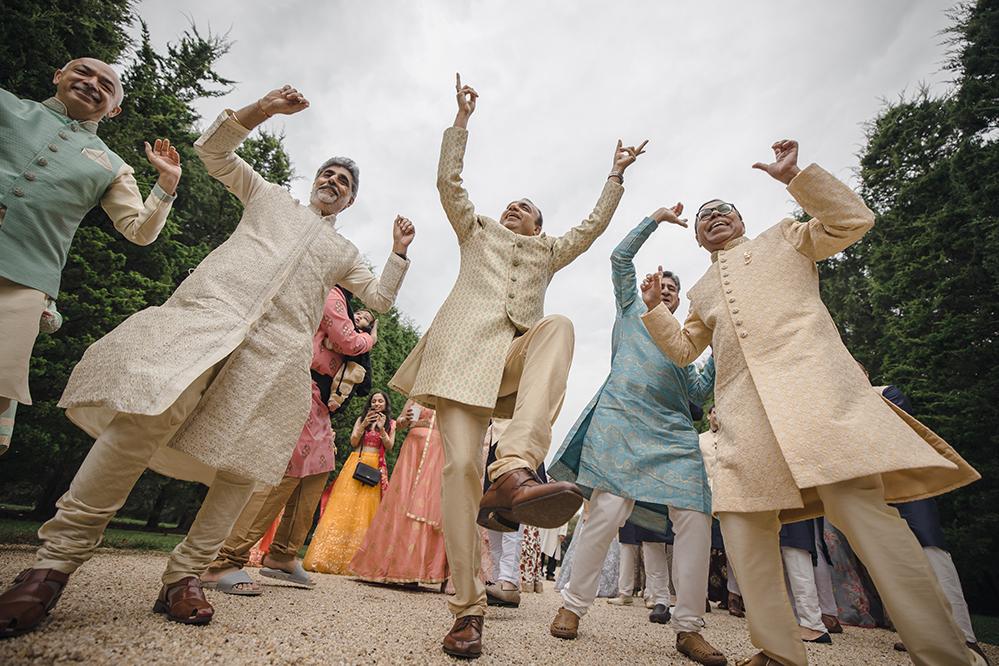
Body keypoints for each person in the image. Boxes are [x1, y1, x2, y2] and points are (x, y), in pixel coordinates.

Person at [0, 84, 414, 636]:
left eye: (345, 182)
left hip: (277, 355)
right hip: (209, 318)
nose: (333, 182)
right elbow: (213, 151)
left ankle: (185, 575)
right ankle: (52, 564)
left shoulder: (343, 253)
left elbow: (380, 301)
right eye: (329, 173)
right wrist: (262, 110)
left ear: (350, 201)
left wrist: (399, 253)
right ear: (314, 179)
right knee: (142, 421)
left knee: (245, 466)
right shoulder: (267, 196)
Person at [638, 138, 981, 666]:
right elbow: (685, 350)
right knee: (745, 529)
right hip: (744, 421)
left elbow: (852, 221)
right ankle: (778, 652)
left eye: (722, 210)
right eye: (704, 217)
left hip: (819, 399)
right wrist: (654, 310)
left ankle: (946, 654)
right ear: (700, 238)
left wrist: (797, 177)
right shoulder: (704, 288)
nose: (712, 217)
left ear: (742, 218)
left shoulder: (786, 236)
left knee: (864, 515)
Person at [389, 74, 646, 659]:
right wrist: (460, 123)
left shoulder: (550, 252)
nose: (514, 207)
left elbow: (592, 228)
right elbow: (448, 184)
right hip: (459, 361)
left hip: (509, 358)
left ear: (538, 226)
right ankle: (467, 609)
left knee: (559, 325)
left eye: (526, 207)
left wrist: (615, 178)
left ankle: (514, 467)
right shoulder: (475, 230)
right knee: (457, 475)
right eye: (512, 201)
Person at [548, 209, 722, 666]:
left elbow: (701, 392)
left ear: (681, 303)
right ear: (650, 289)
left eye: (673, 291)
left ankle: (688, 628)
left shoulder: (685, 343)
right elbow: (619, 257)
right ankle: (572, 606)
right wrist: (656, 219)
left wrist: (723, 344)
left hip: (674, 433)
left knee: (695, 516)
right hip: (621, 420)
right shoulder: (630, 311)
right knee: (605, 512)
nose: (665, 292)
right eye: (661, 286)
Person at [0, 57, 181, 453]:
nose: (92, 83)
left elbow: (139, 230)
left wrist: (166, 184)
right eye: (82, 72)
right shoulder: (7, 106)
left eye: (106, 84)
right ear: (58, 76)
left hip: (23, 284)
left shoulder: (114, 167)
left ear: (113, 108)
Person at [201, 286, 377, 594]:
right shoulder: (332, 293)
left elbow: (363, 379)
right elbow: (348, 341)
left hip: (321, 406)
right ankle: (225, 561)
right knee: (284, 475)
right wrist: (371, 336)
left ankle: (282, 553)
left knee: (318, 471)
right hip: (302, 390)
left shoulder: (346, 304)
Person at [856, 364, 988, 665]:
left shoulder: (887, 393)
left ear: (864, 375)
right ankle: (924, 634)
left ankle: (965, 636)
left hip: (907, 487)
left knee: (932, 554)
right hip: (873, 492)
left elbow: (898, 431)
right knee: (899, 564)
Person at [348, 398, 449, 586]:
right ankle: (392, 568)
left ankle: (416, 570)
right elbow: (400, 422)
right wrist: (405, 420)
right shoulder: (417, 394)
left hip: (437, 451)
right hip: (412, 451)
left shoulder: (448, 396)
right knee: (402, 500)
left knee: (427, 505)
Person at [304, 391, 395, 574]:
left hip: (375, 466)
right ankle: (326, 557)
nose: (377, 403)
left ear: (385, 405)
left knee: (367, 510)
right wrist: (363, 424)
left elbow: (389, 446)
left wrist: (382, 429)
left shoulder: (391, 423)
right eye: (374, 400)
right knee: (343, 507)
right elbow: (353, 441)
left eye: (380, 401)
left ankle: (359, 562)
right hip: (357, 463)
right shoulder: (362, 418)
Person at [698, 405, 744, 618]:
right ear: (709, 416)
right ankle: (701, 595)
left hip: (729, 496)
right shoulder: (699, 439)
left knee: (732, 546)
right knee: (702, 545)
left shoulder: (733, 438)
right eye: (715, 411)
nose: (718, 415)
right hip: (706, 496)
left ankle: (734, 596)